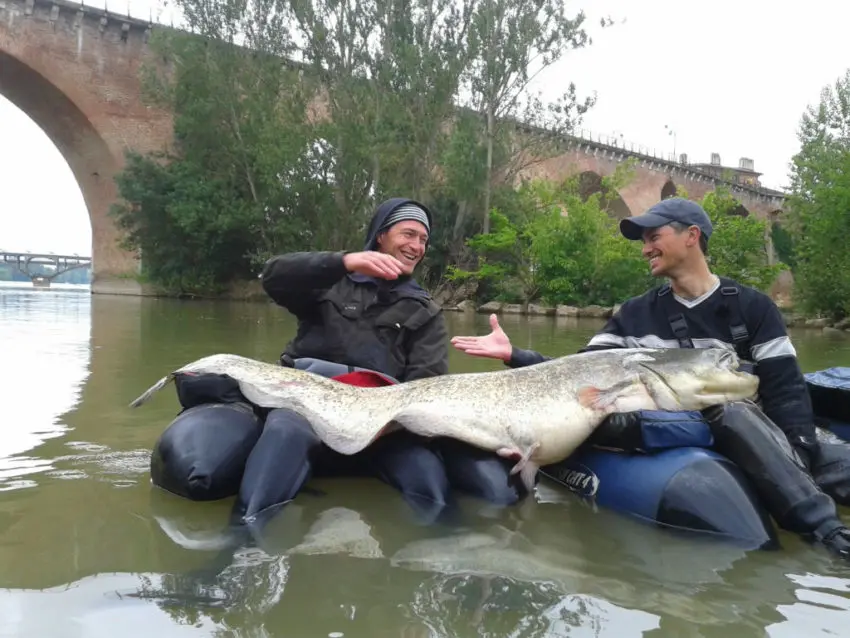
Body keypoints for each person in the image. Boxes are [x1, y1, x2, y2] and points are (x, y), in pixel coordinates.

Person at [450, 197, 850, 559]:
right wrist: (516, 355)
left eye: (654, 236)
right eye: (643, 240)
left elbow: (786, 389)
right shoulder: (634, 314)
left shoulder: (755, 307)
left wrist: (798, 452)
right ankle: (828, 536)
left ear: (691, 236)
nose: (645, 248)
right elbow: (580, 373)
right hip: (687, 434)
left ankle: (797, 490)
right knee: (731, 414)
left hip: (762, 438)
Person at [234, 197, 526, 525]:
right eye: (408, 234)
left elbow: (425, 386)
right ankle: (240, 539)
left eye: (423, 240)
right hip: (308, 410)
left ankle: (447, 543)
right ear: (380, 236)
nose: (417, 246)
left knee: (429, 481)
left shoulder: (425, 311)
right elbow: (274, 277)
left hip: (383, 428)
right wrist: (345, 262)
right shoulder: (329, 283)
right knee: (285, 431)